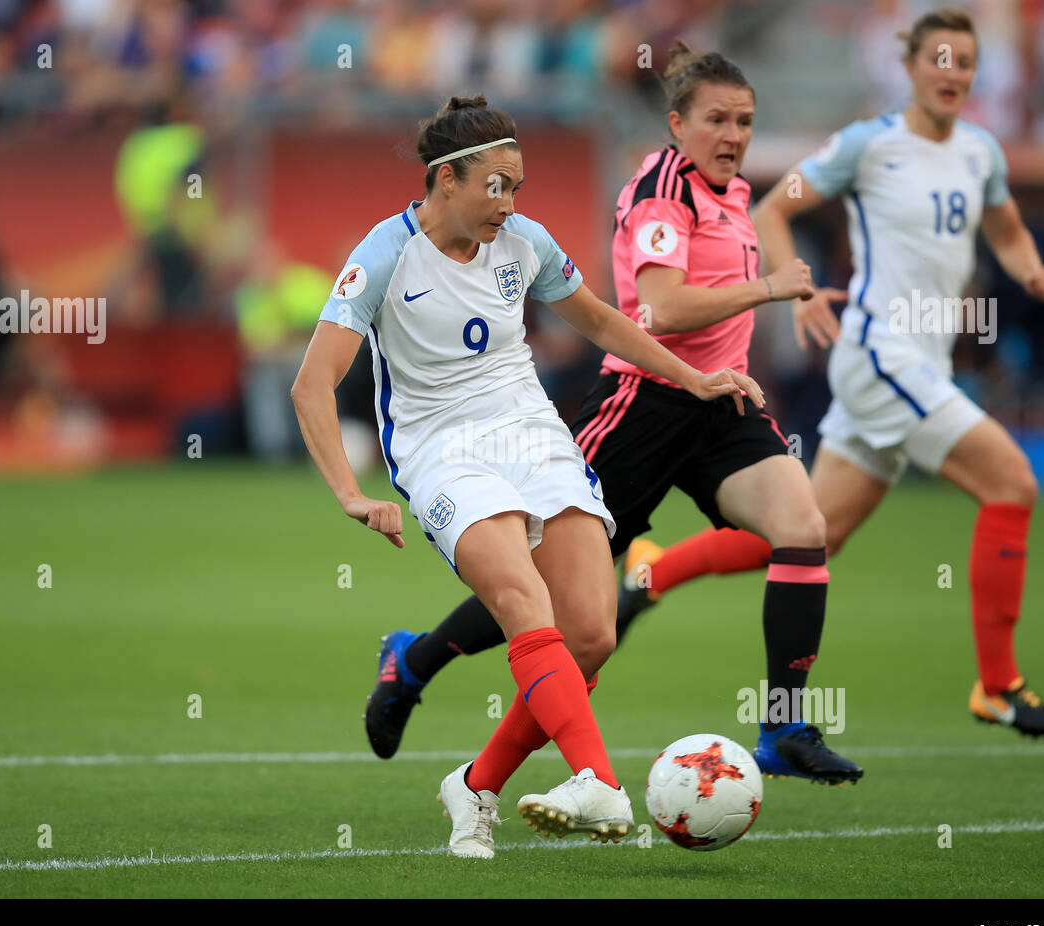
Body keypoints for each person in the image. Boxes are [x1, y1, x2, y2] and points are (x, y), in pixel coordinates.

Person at [364, 47, 866, 790]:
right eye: (717, 120)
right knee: (546, 591)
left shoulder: (732, 194)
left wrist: (762, 313)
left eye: (746, 122)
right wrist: (767, 289)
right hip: (643, 408)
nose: (734, 135)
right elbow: (655, 309)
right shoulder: (664, 188)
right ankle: (416, 659)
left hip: (719, 400)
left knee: (805, 528)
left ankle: (783, 725)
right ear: (676, 124)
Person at [291, 95, 762, 858]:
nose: (507, 203)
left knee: (590, 635)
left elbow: (607, 322)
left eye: (517, 186)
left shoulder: (524, 243)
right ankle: (598, 781)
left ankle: (474, 787)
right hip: (441, 448)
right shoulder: (384, 252)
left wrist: (696, 379)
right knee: (519, 598)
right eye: (495, 185)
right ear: (446, 179)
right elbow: (312, 384)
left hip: (532, 434)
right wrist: (352, 492)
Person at [610, 8, 1044, 737]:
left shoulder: (981, 151)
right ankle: (999, 684)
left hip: (923, 361)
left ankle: (651, 572)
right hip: (881, 355)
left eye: (965, 62)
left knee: (806, 536)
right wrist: (786, 290)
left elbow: (1006, 227)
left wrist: (1033, 271)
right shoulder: (870, 145)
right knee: (1012, 481)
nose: (952, 73)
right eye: (939, 59)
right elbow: (776, 207)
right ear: (912, 68)